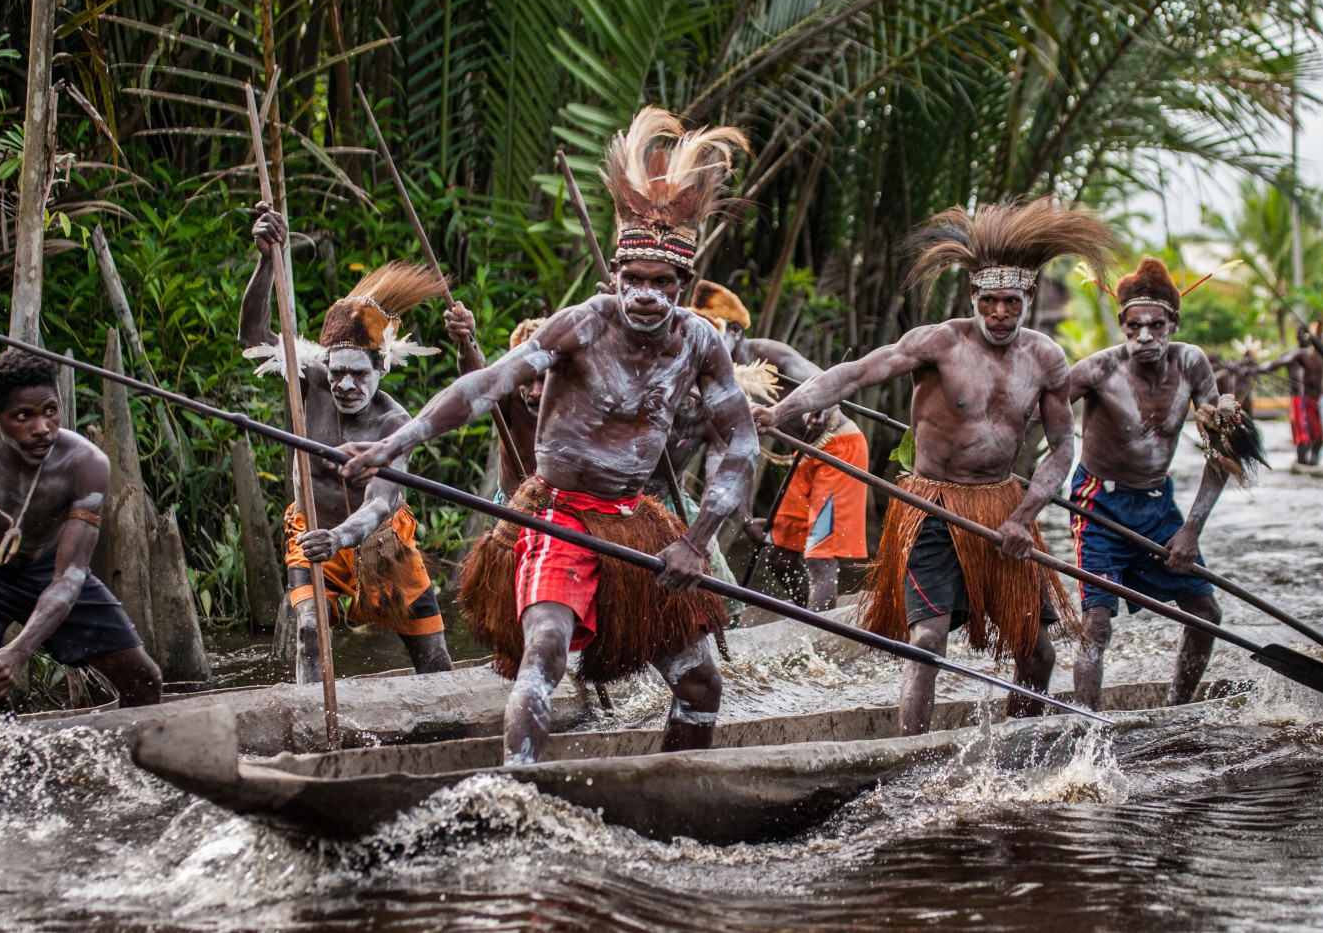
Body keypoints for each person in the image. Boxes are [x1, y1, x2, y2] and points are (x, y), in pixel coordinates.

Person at [341, 107, 758, 765]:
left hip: (636, 523)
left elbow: (742, 444)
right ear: (617, 276)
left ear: (680, 286)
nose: (646, 296)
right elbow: (487, 386)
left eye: (662, 284)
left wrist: (696, 540)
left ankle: (677, 784)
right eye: (635, 281)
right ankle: (519, 797)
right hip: (559, 517)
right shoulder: (584, 325)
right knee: (544, 653)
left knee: (702, 683)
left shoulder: (701, 342)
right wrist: (400, 441)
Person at [754, 198, 1118, 732]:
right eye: (989, 301)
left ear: (1029, 298)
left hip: (1003, 508)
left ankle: (1021, 743)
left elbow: (1063, 446)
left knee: (1037, 653)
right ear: (973, 296)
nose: (1000, 314)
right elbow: (851, 375)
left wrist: (1024, 516)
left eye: (1011, 303)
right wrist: (782, 411)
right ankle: (912, 755)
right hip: (933, 506)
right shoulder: (939, 343)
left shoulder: (1046, 359)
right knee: (927, 640)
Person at [240, 208, 453, 681]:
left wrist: (339, 537)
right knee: (310, 632)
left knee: (434, 661)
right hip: (311, 532)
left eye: (360, 373)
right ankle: (314, 726)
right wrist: (263, 262)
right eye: (338, 371)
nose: (346, 385)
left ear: (382, 369)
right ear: (325, 365)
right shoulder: (310, 386)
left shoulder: (394, 423)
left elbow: (380, 505)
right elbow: (253, 338)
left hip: (383, 544)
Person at [1067, 258, 1265, 710]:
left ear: (1173, 324)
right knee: (1096, 622)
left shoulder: (1192, 363)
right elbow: (1037, 418)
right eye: (1134, 326)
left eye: (1156, 325)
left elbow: (1222, 455)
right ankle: (1084, 725)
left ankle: (1178, 706)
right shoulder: (1096, 371)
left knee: (1206, 614)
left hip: (1158, 503)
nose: (1145, 337)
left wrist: (1191, 529)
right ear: (1122, 325)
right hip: (1098, 504)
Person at [0, 351, 163, 728]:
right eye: (23, 416)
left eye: (50, 411)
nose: (42, 427)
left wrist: (19, 651)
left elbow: (69, 578)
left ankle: (121, 772)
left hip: (49, 566)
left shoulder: (85, 464)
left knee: (145, 680)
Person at [690, 282, 870, 612]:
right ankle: (810, 618)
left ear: (733, 330)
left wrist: (822, 407)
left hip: (839, 447)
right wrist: (745, 518)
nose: (705, 338)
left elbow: (819, 379)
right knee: (779, 555)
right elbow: (736, 448)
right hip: (802, 457)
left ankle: (820, 632)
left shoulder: (769, 353)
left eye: (711, 329)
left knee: (819, 557)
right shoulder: (716, 373)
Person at [445, 310, 543, 501]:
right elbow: (478, 381)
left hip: (560, 512)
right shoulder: (509, 393)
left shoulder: (571, 394)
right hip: (513, 507)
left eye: (544, 380)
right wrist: (467, 342)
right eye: (528, 382)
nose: (536, 392)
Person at [1257, 325, 1323, 465]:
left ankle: (1314, 464)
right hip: (1301, 399)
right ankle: (1302, 463)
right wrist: (1258, 369)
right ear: (1296, 337)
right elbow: (1276, 363)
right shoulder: (1294, 355)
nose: (1304, 337)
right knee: (1303, 437)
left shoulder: (1320, 355)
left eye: (1307, 334)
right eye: (1301, 334)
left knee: (1319, 437)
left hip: (1319, 400)